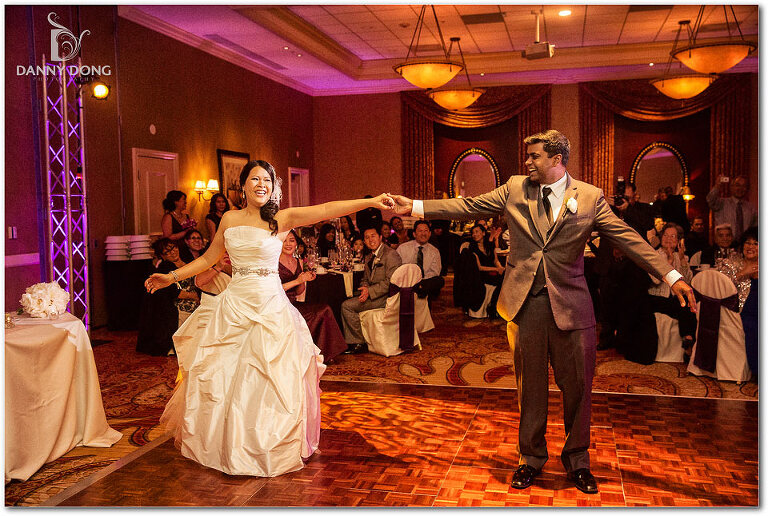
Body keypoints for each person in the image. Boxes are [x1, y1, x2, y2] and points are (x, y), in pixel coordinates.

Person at [389, 129, 696, 495]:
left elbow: (627, 238)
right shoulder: (515, 188)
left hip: (573, 307)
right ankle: (531, 458)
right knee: (529, 388)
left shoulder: (590, 197)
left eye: (534, 156)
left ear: (556, 159)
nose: (528, 161)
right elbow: (468, 207)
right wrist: (415, 207)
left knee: (578, 387)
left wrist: (672, 275)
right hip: (526, 305)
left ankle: (577, 460)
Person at [144, 159, 394, 477]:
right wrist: (171, 277)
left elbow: (326, 209)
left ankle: (268, 443)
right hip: (235, 306)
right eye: (255, 179)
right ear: (243, 185)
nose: (262, 185)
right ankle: (228, 444)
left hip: (270, 306)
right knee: (227, 378)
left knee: (270, 377)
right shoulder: (229, 219)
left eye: (267, 180)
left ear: (273, 188)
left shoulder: (281, 219)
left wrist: (371, 202)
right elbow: (208, 258)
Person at [279, 230, 348, 364]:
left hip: (293, 303)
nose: (288, 244)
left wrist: (304, 280)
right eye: (284, 241)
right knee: (319, 311)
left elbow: (299, 291)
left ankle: (324, 354)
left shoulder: (298, 262)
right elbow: (274, 289)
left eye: (291, 240)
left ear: (296, 243)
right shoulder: (273, 262)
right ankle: (314, 354)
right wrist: (298, 280)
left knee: (325, 309)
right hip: (280, 304)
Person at [340, 226, 402, 354]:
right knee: (344, 297)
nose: (370, 240)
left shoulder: (391, 254)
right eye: (367, 238)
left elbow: (392, 282)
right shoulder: (369, 256)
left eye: (373, 236)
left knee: (347, 306)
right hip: (374, 294)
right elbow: (365, 278)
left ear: (380, 237)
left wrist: (370, 291)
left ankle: (358, 342)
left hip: (386, 297)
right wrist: (365, 288)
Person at [647, 223, 697, 354]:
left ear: (679, 240)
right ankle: (688, 338)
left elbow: (687, 282)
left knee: (687, 303)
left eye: (673, 236)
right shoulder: (653, 256)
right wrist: (668, 263)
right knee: (682, 305)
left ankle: (688, 339)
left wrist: (682, 260)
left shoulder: (681, 257)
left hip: (674, 299)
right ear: (661, 237)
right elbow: (655, 280)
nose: (668, 239)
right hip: (657, 298)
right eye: (666, 235)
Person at [396, 220, 444, 304]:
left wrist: (420, 282)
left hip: (425, 283)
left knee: (439, 280)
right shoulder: (403, 248)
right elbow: (396, 268)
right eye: (420, 231)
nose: (423, 234)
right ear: (414, 234)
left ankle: (420, 291)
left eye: (426, 231)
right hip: (406, 282)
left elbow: (435, 272)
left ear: (430, 233)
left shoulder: (434, 251)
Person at [707, 175, 757, 241]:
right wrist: (717, 186)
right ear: (731, 187)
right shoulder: (721, 203)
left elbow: (755, 228)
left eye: (744, 186)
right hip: (725, 243)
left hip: (744, 244)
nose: (740, 188)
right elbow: (710, 200)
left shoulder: (751, 208)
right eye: (737, 185)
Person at [161, 190, 196, 254]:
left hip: (188, 248)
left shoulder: (186, 216)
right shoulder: (168, 217)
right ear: (176, 202)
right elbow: (167, 237)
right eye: (183, 199)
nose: (186, 202)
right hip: (175, 249)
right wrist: (185, 232)